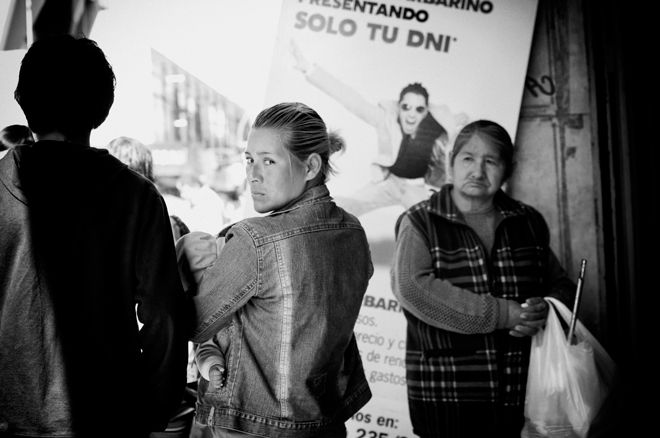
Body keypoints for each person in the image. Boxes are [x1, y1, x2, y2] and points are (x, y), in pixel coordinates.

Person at [0, 35, 188, 437]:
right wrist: (153, 409)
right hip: (108, 413)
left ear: (22, 99)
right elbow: (164, 317)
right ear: (103, 107)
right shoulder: (138, 197)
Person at [177, 102, 374, 437]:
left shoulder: (256, 239)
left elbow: (193, 324)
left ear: (311, 166)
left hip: (254, 426)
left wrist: (181, 261)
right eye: (249, 159)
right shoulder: (353, 231)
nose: (253, 174)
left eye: (269, 161)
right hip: (326, 423)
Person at [390, 120, 576, 437]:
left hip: (522, 396)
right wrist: (503, 314)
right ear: (451, 162)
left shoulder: (527, 221)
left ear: (508, 170)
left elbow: (560, 285)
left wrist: (546, 308)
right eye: (468, 158)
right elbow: (412, 288)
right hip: (447, 396)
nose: (477, 171)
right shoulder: (420, 220)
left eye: (491, 161)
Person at [291, 40, 468, 216]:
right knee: (341, 208)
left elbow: (466, 128)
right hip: (389, 183)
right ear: (398, 107)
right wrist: (310, 70)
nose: (411, 115)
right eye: (406, 107)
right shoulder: (385, 120)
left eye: (419, 109)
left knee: (436, 221)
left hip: (419, 189)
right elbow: (353, 101)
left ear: (426, 112)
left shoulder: (440, 125)